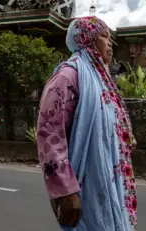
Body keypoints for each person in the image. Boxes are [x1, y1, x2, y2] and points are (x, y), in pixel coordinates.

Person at [36, 16, 137, 230]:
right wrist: (65, 190)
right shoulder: (68, 76)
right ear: (86, 39)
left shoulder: (102, 79)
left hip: (112, 176)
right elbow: (50, 133)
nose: (111, 43)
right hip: (87, 182)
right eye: (104, 36)